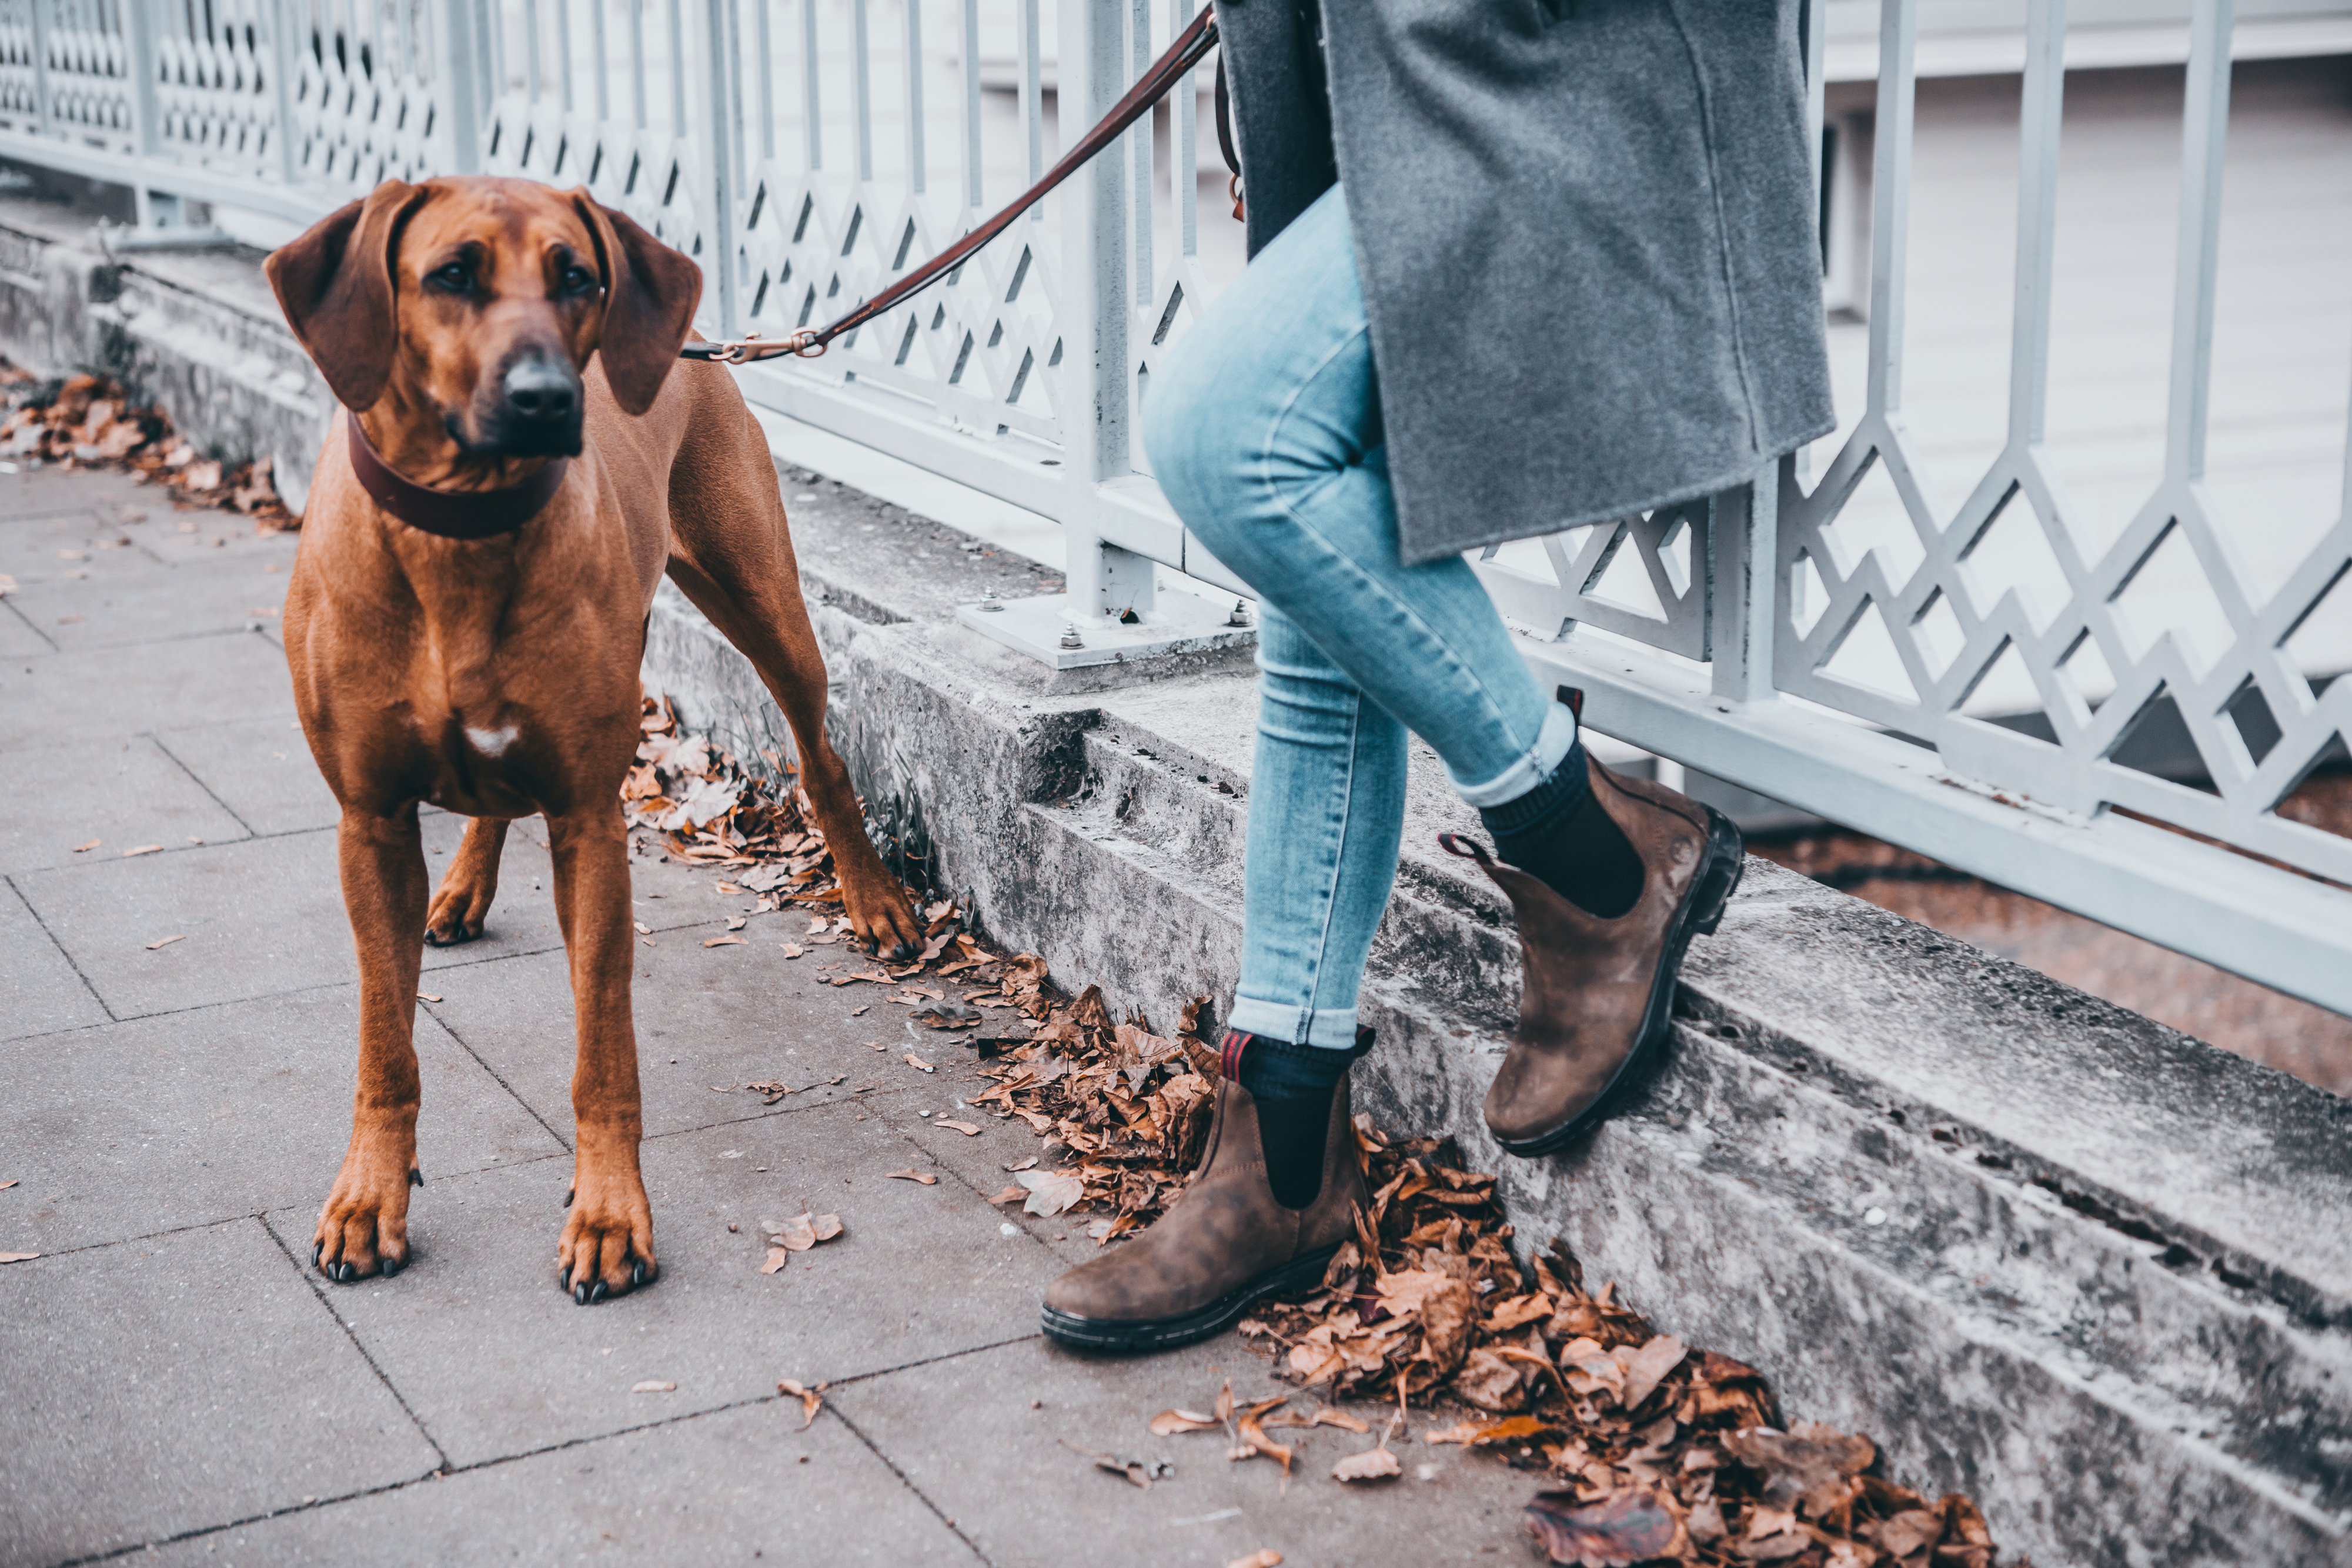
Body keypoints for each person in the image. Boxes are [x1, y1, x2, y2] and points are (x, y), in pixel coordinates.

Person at [1040, 0, 1835, 1352]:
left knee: (1228, 436)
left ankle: (1590, 855)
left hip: (1547, 73)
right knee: (1315, 570)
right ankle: (1283, 1150)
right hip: (1392, 88)